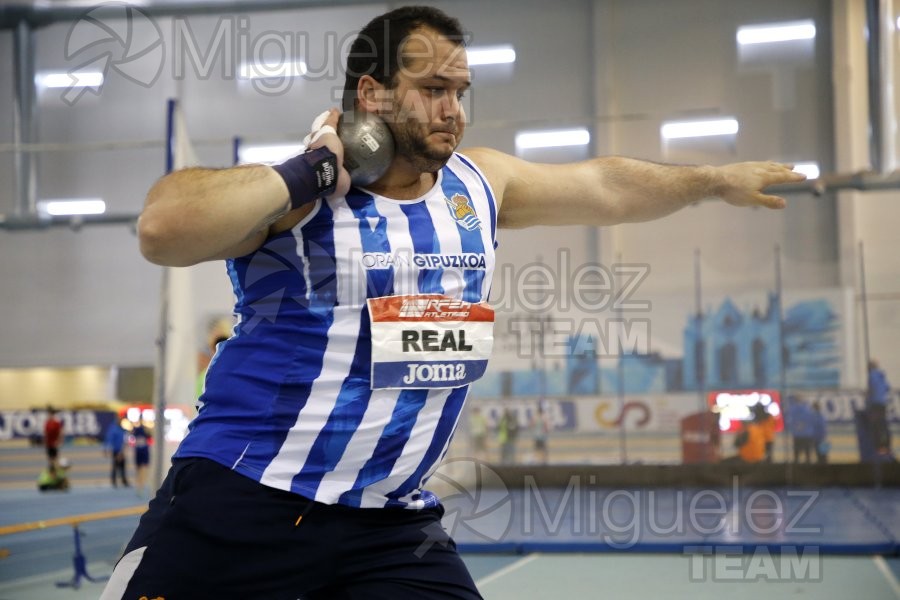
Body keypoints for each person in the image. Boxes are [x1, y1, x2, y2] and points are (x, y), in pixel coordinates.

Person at [101, 6, 804, 598]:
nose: (453, 110)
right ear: (372, 94)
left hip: (389, 524)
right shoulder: (299, 195)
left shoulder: (479, 187)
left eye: (461, 91)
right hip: (245, 500)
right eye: (434, 88)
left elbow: (607, 186)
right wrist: (311, 169)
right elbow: (163, 228)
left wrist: (711, 180)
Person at [867, 359, 892, 453]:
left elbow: (871, 389)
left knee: (876, 425)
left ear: (870, 367)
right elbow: (887, 387)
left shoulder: (871, 375)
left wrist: (869, 396)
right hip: (882, 403)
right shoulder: (882, 376)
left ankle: (879, 447)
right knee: (883, 425)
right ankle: (887, 446)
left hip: (875, 404)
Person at [786, 396, 816, 464]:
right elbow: (812, 421)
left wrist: (794, 428)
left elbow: (789, 421)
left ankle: (796, 470)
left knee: (796, 455)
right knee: (807, 455)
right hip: (807, 435)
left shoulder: (792, 409)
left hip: (797, 435)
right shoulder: (808, 409)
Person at [104, 417, 130, 488]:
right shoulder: (114, 430)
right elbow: (109, 440)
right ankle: (114, 481)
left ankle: (124, 481)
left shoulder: (121, 430)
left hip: (122, 450)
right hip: (116, 450)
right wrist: (107, 449)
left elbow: (125, 440)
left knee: (122, 466)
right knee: (115, 466)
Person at [130, 418, 152, 496]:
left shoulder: (142, 430)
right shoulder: (142, 430)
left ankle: (140, 486)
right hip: (141, 451)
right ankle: (140, 486)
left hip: (141, 451)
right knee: (141, 470)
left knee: (142, 470)